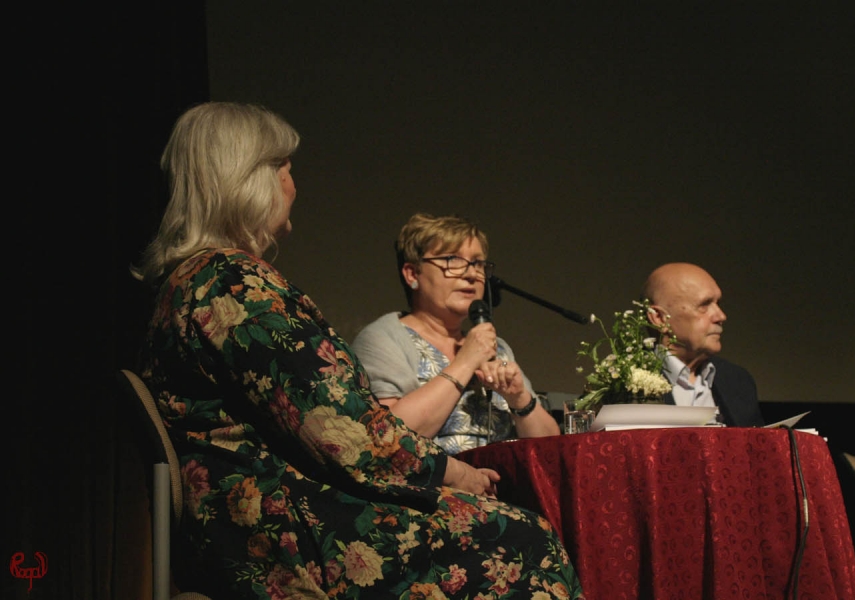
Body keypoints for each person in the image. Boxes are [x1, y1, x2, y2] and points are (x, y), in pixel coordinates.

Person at [131, 102, 583, 599]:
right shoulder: (237, 286)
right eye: (286, 169)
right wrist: (454, 473)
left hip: (246, 524)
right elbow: (344, 432)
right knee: (526, 540)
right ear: (252, 179)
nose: (292, 185)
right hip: (283, 536)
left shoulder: (191, 282)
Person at [351, 213, 561, 455]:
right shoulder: (384, 338)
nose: (471, 274)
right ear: (412, 274)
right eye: (452, 259)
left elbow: (551, 448)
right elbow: (387, 438)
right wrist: (465, 361)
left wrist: (520, 398)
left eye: (478, 263)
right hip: (432, 480)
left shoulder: (494, 346)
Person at [641, 262, 766, 427]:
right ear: (659, 318)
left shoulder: (738, 381)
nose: (721, 316)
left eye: (718, 304)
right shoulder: (623, 382)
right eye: (704, 305)